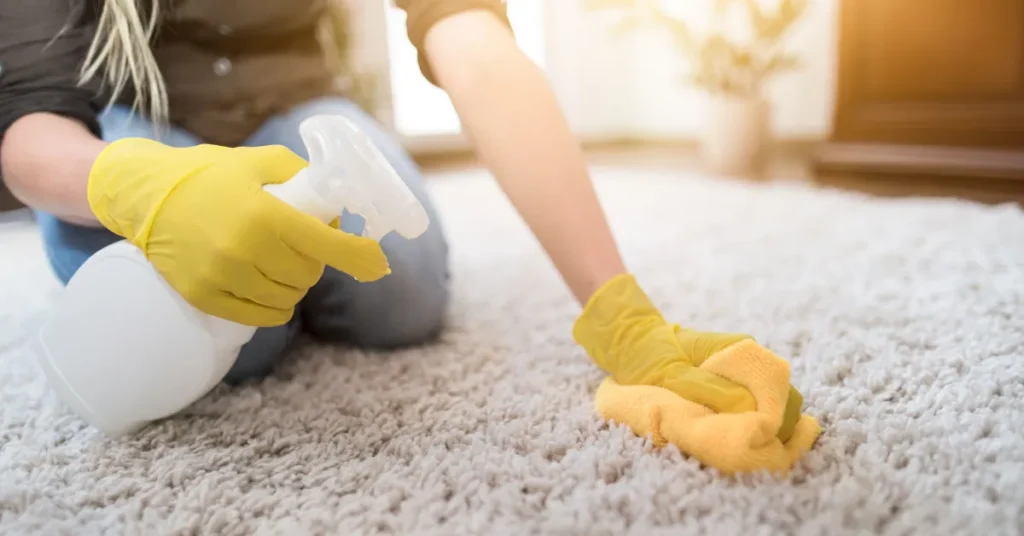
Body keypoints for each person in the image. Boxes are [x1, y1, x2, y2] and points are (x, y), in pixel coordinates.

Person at [0, 0, 802, 438]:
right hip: (142, 118)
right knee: (246, 343)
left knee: (401, 297)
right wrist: (144, 187)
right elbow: (29, 125)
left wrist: (622, 312)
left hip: (291, 104)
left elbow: (478, 51)